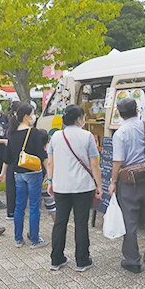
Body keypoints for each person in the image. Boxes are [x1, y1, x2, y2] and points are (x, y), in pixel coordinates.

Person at [108, 98, 145, 274]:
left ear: (119, 114)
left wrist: (112, 182)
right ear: (137, 110)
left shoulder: (120, 134)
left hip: (129, 181)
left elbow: (117, 163)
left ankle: (132, 261)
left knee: (129, 223)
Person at [47, 105, 102, 272]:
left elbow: (50, 162)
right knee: (81, 223)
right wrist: (99, 185)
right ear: (79, 119)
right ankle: (82, 260)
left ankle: (56, 259)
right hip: (83, 187)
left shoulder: (56, 136)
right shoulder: (87, 136)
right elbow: (94, 164)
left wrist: (50, 181)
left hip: (61, 186)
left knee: (60, 222)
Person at [0, 103, 48, 248]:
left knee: (19, 206)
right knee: (33, 207)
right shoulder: (32, 132)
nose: (34, 116)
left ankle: (18, 239)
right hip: (33, 173)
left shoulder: (12, 133)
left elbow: (7, 157)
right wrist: (50, 174)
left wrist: (2, 173)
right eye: (33, 114)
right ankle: (34, 240)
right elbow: (42, 155)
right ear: (26, 117)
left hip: (17, 173)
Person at [5, 100, 21, 219]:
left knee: (11, 186)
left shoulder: (10, 126)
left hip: (10, 161)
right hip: (19, 160)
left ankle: (11, 211)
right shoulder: (20, 128)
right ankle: (15, 211)